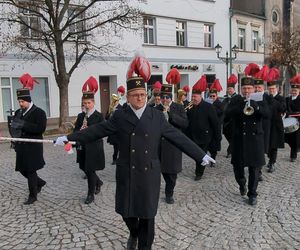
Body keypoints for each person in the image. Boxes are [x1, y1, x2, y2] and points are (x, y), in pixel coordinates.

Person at [55, 68, 214, 250]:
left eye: (142, 94)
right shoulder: (120, 116)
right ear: (128, 98)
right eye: (135, 95)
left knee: (147, 217)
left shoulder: (157, 116)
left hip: (149, 172)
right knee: (126, 212)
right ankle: (133, 232)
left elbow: (178, 137)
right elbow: (96, 131)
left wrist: (200, 154)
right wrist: (69, 138)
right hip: (127, 171)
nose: (139, 98)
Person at [225, 77, 268, 205]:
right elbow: (227, 113)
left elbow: (268, 114)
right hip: (239, 139)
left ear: (254, 89)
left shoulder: (261, 98)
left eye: (249, 88)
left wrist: (257, 107)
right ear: (241, 89)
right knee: (237, 167)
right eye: (244, 88)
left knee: (254, 168)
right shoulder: (237, 99)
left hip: (255, 139)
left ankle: (252, 194)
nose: (247, 91)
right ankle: (242, 183)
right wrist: (241, 106)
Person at [9, 73, 47, 205]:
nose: (20, 104)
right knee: (22, 169)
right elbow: (14, 126)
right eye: (19, 101)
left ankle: (33, 195)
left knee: (31, 171)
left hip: (33, 147)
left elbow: (40, 129)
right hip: (21, 146)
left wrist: (24, 124)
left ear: (28, 100)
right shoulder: (18, 112)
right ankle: (40, 182)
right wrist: (13, 138)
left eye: (22, 101)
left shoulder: (39, 112)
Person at [73, 77, 105, 204]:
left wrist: (88, 130)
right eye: (84, 103)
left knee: (90, 170)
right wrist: (79, 130)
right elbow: (75, 131)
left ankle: (90, 194)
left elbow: (101, 131)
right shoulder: (81, 116)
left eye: (88, 103)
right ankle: (99, 182)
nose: (86, 106)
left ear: (93, 103)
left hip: (94, 148)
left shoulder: (99, 116)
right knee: (84, 168)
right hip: (82, 147)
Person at [185, 77, 221, 181]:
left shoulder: (208, 107)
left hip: (205, 136)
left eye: (195, 96)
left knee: (201, 155)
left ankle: (199, 173)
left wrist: (218, 136)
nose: (193, 98)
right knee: (197, 155)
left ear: (200, 96)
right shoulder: (190, 107)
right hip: (193, 136)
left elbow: (215, 123)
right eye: (192, 96)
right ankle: (199, 169)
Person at [158, 84, 188, 204]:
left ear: (171, 98)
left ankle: (169, 193)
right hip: (159, 145)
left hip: (173, 145)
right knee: (161, 170)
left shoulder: (179, 107)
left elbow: (185, 124)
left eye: (167, 97)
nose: (165, 99)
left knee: (172, 173)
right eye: (163, 97)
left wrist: (171, 115)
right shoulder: (155, 109)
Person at [253, 78, 272, 181]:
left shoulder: (267, 97)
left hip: (263, 127)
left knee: (261, 150)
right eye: (255, 87)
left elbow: (269, 113)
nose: (257, 89)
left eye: (259, 87)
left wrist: (259, 108)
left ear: (263, 88)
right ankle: (255, 168)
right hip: (252, 127)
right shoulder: (250, 96)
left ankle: (258, 171)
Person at [266, 80, 286, 172]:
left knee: (274, 145)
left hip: (276, 125)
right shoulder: (266, 97)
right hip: (267, 125)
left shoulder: (281, 98)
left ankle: (272, 163)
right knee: (268, 145)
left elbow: (282, 109)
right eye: (270, 89)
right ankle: (270, 159)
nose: (271, 90)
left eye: (273, 88)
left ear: (277, 89)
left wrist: (273, 99)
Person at [222, 74, 239, 158]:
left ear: (234, 89)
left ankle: (230, 150)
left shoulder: (237, 97)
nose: (229, 90)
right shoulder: (226, 99)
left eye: (230, 89)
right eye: (228, 89)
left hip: (233, 121)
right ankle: (232, 148)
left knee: (232, 137)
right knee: (227, 135)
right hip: (226, 122)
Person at [207, 79, 223, 166]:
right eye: (211, 96)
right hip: (208, 127)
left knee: (214, 145)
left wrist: (212, 108)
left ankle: (213, 158)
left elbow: (220, 113)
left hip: (215, 126)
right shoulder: (207, 103)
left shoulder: (219, 104)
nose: (212, 98)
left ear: (216, 96)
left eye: (213, 96)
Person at [285, 75, 300, 162]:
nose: (294, 92)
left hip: (298, 122)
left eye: (296, 90)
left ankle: (293, 155)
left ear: (299, 91)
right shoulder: (287, 99)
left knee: (296, 139)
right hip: (289, 121)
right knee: (290, 139)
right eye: (293, 90)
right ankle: (294, 149)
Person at [106, 93, 122, 165]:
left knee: (120, 145)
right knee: (115, 146)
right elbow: (106, 117)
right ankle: (114, 159)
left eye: (116, 100)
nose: (115, 102)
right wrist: (110, 112)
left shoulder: (121, 108)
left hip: (119, 129)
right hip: (113, 130)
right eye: (114, 100)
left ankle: (120, 158)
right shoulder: (110, 107)